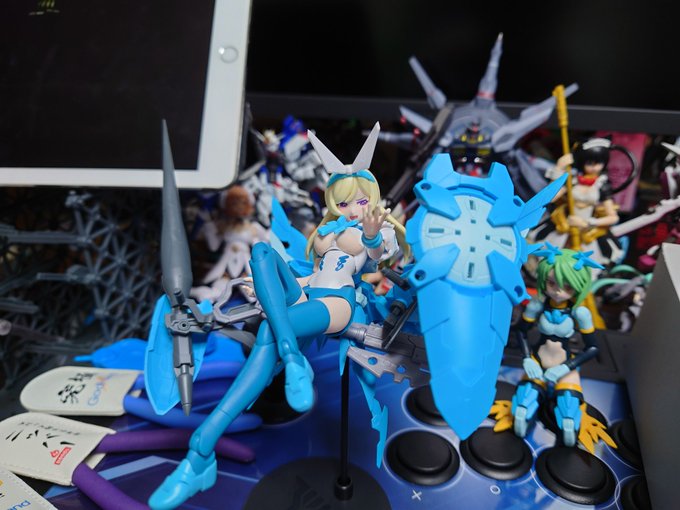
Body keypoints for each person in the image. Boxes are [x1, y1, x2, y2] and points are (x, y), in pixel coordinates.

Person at [149, 122, 406, 509]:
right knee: (261, 253)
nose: (354, 209)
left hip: (338, 303)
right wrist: (266, 287)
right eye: (345, 203)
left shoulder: (375, 230)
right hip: (307, 292)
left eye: (360, 200)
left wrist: (371, 234)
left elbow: (375, 255)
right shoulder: (327, 231)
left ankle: (200, 451)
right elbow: (314, 274)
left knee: (271, 331)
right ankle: (291, 362)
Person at [492, 245, 615, 453]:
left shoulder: (580, 313)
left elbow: (593, 348)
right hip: (537, 363)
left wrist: (566, 367)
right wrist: (527, 359)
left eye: (567, 286)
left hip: (565, 367)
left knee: (569, 417)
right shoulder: (537, 305)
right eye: (551, 283)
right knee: (522, 408)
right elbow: (520, 332)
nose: (558, 291)